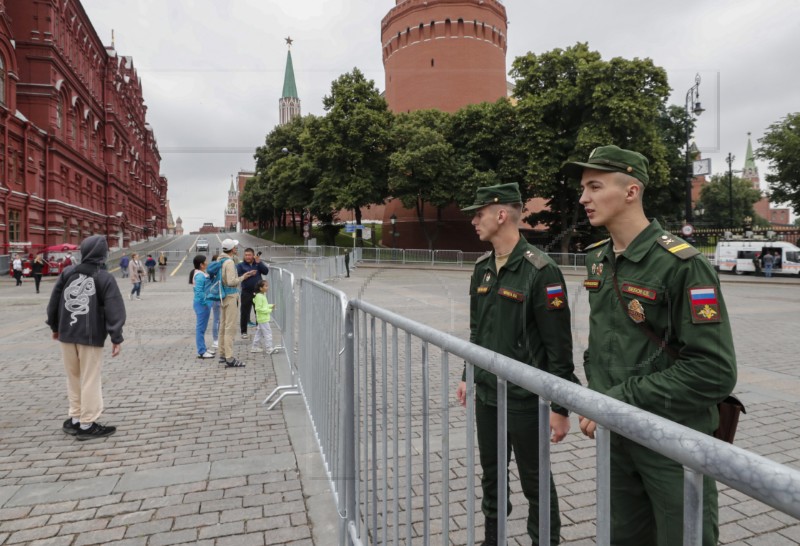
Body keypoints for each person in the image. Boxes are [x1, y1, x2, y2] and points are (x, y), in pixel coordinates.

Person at [564, 145, 737, 545]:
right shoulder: (598, 259)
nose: (583, 198)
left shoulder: (682, 264)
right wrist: (601, 400)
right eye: (583, 188)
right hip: (617, 435)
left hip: (672, 439)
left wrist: (619, 397)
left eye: (594, 186)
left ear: (631, 191)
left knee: (684, 537)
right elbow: (604, 345)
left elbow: (715, 370)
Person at [454, 182, 575, 546]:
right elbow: (477, 330)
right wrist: (468, 375)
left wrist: (560, 405)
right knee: (492, 475)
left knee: (534, 481)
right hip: (489, 395)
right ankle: (495, 539)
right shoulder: (483, 268)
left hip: (526, 399)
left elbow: (559, 347)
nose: (474, 221)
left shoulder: (541, 270)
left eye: (479, 214)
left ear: (501, 214)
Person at [46, 235, 125, 440]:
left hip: (66, 333)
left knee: (73, 377)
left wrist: (55, 326)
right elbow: (114, 308)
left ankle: (75, 417)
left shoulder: (67, 272)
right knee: (90, 378)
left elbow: (54, 302)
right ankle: (87, 423)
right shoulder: (104, 277)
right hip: (90, 336)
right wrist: (116, 337)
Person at [218, 239, 257, 368]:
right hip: (230, 296)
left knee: (223, 326)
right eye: (235, 246)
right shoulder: (229, 262)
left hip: (223, 296)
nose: (236, 248)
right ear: (232, 248)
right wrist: (243, 277)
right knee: (230, 327)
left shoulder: (220, 259)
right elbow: (231, 281)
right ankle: (229, 358)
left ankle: (222, 353)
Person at [236, 248, 269, 339]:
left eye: (249, 255)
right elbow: (238, 276)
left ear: (253, 255)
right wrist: (248, 274)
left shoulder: (257, 264)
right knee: (244, 312)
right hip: (246, 291)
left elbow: (266, 271)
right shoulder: (240, 265)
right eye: (246, 255)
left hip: (258, 293)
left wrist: (259, 262)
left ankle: (260, 329)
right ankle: (243, 331)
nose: (247, 257)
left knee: (258, 311)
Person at [191, 255, 215, 359]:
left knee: (202, 328)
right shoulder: (200, 276)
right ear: (201, 264)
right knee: (200, 328)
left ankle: (203, 348)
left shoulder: (200, 273)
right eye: (205, 262)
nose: (207, 263)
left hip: (202, 303)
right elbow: (199, 291)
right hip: (202, 304)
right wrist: (205, 302)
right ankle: (201, 351)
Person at [250, 279, 276, 354]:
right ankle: (269, 348)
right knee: (268, 333)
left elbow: (263, 306)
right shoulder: (259, 297)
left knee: (259, 333)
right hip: (263, 319)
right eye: (266, 286)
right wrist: (269, 310)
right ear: (261, 288)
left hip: (262, 318)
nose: (267, 287)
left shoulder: (261, 295)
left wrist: (271, 306)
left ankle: (254, 347)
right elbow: (258, 308)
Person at [210, 254, 221, 350]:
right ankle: (215, 340)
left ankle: (218, 339)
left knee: (220, 319)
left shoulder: (212, 271)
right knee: (217, 319)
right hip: (217, 296)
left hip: (220, 296)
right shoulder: (215, 270)